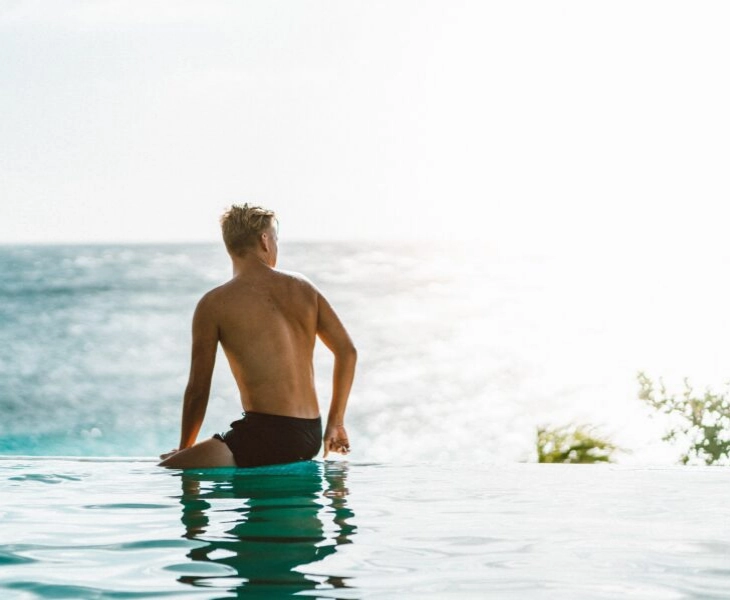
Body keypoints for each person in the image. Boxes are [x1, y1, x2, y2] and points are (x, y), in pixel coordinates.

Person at [159, 204, 356, 468]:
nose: (275, 246)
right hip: (309, 434)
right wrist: (336, 423)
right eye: (275, 238)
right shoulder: (304, 288)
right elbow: (347, 351)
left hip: (267, 436)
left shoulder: (214, 304)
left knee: (169, 470)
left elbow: (198, 389)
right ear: (264, 240)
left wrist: (184, 450)